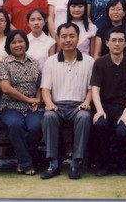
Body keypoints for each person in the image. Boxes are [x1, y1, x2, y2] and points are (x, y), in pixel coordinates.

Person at [39, 22, 94, 180]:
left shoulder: (89, 61)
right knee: (48, 117)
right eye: (63, 36)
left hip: (78, 106)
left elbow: (92, 88)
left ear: (78, 38)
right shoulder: (51, 61)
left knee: (84, 117)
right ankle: (53, 164)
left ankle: (75, 163)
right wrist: (49, 103)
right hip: (57, 106)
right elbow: (45, 88)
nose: (68, 40)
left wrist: (87, 102)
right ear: (58, 38)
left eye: (71, 36)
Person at [91, 27, 126, 176]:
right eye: (113, 40)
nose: (117, 43)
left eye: (121, 40)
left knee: (123, 130)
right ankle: (104, 165)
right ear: (107, 43)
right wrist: (99, 110)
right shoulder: (99, 63)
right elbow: (95, 89)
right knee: (100, 125)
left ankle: (122, 165)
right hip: (105, 107)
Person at [0, 30, 43, 176]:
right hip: (10, 106)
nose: (18, 45)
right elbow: (5, 88)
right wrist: (28, 99)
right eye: (14, 42)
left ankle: (23, 158)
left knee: (35, 126)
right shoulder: (3, 64)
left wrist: (37, 100)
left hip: (32, 106)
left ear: (26, 43)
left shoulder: (34, 63)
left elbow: (39, 86)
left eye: (20, 41)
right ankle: (26, 163)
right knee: (15, 125)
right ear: (8, 45)